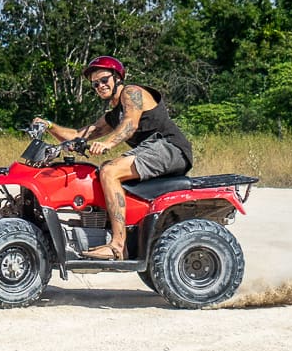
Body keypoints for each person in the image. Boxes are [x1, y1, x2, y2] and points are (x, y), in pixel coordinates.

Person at [33, 55, 193, 260]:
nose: (100, 86)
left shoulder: (132, 92)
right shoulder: (113, 114)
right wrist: (48, 125)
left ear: (117, 77)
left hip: (169, 147)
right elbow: (78, 134)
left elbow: (130, 124)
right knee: (98, 172)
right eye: (95, 84)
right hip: (152, 150)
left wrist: (108, 143)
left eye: (104, 80)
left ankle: (118, 245)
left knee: (110, 171)